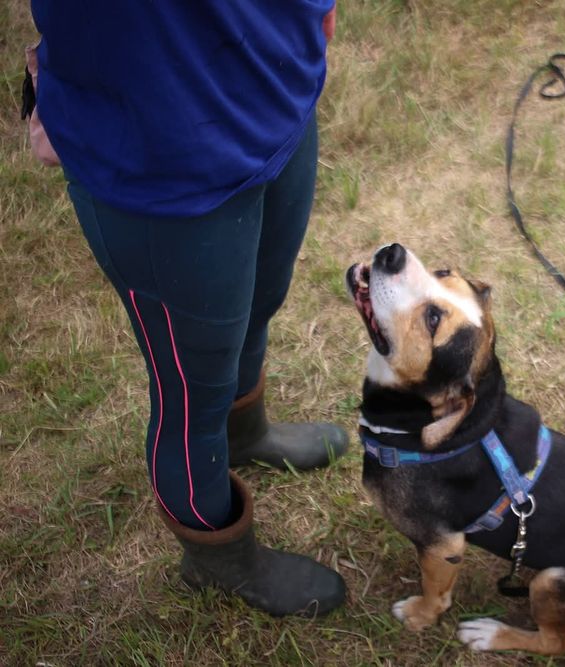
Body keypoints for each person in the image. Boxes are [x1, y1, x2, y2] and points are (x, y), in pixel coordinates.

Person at [27, 1, 348, 617]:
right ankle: (218, 556)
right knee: (191, 389)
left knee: (260, 302)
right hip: (159, 138)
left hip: (274, 74)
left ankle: (245, 435)